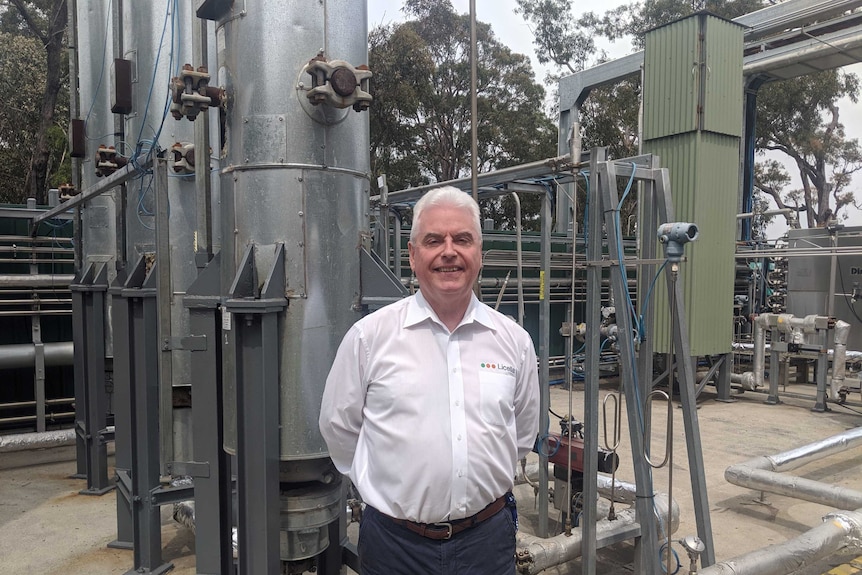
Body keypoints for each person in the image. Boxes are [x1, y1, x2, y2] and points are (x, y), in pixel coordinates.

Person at [319, 185, 540, 575]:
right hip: (395, 547)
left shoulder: (513, 342)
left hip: (487, 541)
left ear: (479, 254)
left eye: (463, 239)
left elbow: (521, 434)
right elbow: (339, 427)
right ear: (413, 254)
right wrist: (385, 486)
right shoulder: (370, 339)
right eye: (434, 240)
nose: (449, 251)